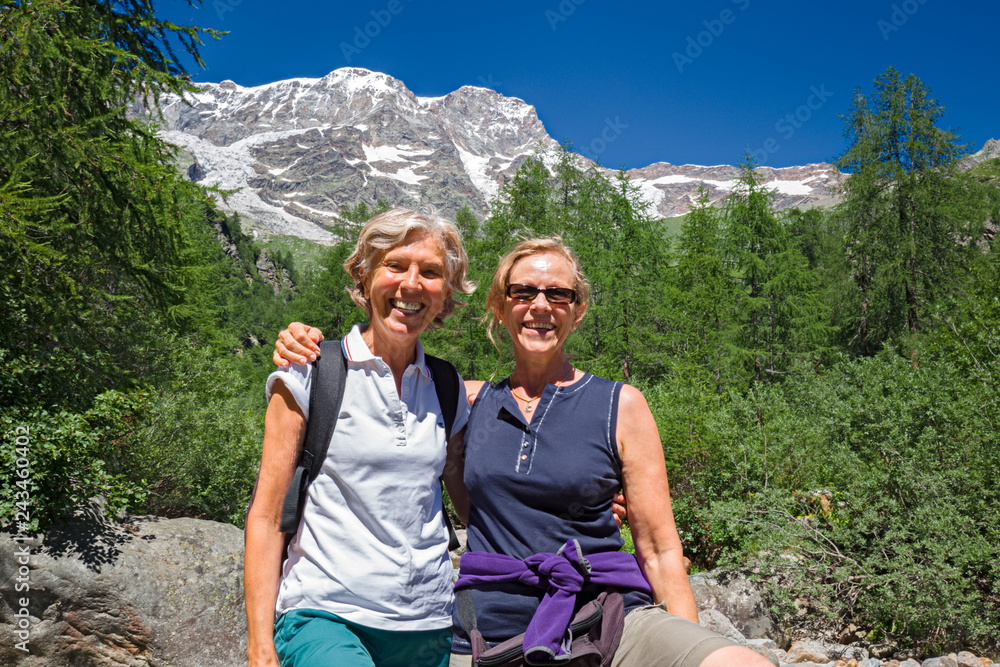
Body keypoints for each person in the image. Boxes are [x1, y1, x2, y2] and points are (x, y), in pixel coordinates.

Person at [275, 238, 772, 667]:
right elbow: (384, 392)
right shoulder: (461, 401)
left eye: (559, 293)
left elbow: (661, 550)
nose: (541, 304)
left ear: (577, 310)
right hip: (487, 633)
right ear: (500, 306)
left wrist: (685, 641)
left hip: (606, 617)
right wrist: (305, 341)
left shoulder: (621, 406)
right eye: (523, 292)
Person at [245, 208, 475, 667]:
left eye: (430, 272)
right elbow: (267, 515)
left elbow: (473, 500)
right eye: (395, 265)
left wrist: (588, 500)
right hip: (324, 616)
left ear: (445, 293)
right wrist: (259, 647)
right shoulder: (311, 373)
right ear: (364, 275)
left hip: (426, 625)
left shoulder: (447, 387)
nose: (411, 284)